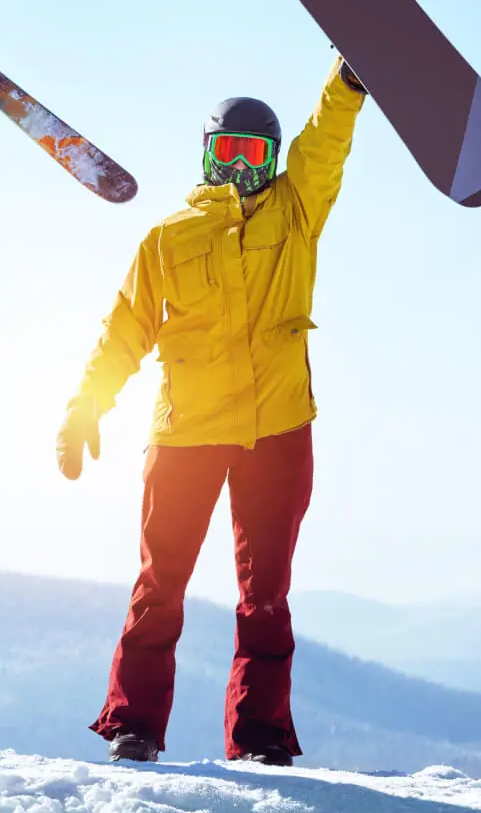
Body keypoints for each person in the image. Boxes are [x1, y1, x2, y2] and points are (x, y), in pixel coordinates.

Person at [56, 55, 368, 765]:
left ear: (272, 160)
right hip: (186, 433)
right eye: (226, 151)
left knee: (266, 597)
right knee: (159, 586)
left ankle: (260, 737)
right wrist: (85, 409)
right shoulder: (168, 238)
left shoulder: (297, 209)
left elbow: (326, 140)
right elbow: (123, 331)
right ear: (205, 153)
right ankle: (134, 725)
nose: (237, 168)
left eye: (252, 154)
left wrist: (350, 77)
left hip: (275, 430)